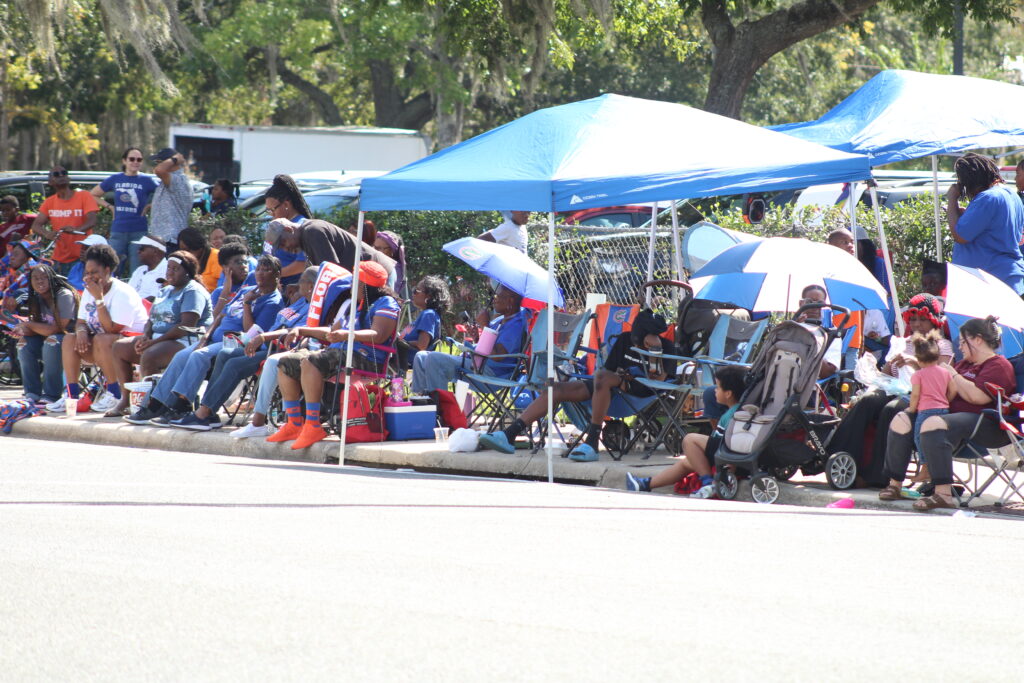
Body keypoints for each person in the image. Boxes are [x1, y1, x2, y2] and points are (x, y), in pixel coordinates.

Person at [478, 309, 675, 462]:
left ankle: (591, 442)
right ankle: (510, 434)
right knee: (557, 389)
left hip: (640, 393)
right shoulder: (625, 340)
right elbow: (609, 369)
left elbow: (657, 383)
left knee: (602, 377)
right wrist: (620, 378)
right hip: (612, 387)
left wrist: (655, 352)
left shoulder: (666, 347)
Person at [124, 254, 283, 426]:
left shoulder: (273, 301)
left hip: (240, 340)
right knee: (182, 356)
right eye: (259, 269)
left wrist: (246, 305)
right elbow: (220, 316)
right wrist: (206, 336)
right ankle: (157, 404)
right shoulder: (247, 290)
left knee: (199, 356)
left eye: (267, 270)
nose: (260, 273)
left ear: (277, 275)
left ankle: (180, 405)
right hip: (214, 337)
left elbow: (250, 333)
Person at [880, 316, 1015, 511]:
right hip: (946, 417)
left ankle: (943, 493)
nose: (959, 347)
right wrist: (920, 369)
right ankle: (895, 485)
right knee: (901, 419)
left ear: (977, 339)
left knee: (932, 423)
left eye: (962, 342)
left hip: (984, 425)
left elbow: (977, 397)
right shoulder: (964, 365)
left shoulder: (999, 365)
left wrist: (952, 373)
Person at [267, 262, 399, 449]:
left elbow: (379, 335)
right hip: (338, 352)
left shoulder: (386, 303)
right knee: (287, 362)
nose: (351, 284)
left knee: (312, 361)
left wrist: (348, 335)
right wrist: (301, 330)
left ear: (365, 285)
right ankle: (294, 423)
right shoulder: (355, 306)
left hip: (366, 358)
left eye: (355, 281)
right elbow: (331, 331)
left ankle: (312, 424)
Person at [828, 293, 953, 487]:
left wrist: (915, 363)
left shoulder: (942, 346)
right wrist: (882, 367)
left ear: (933, 321)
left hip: (923, 395)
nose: (917, 325)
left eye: (922, 320)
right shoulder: (903, 343)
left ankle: (877, 476)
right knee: (866, 400)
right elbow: (887, 375)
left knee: (892, 410)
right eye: (913, 320)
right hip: (896, 388)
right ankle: (835, 457)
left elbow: (940, 379)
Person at [170, 266, 317, 431]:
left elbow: (284, 334)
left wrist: (252, 314)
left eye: (301, 281)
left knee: (220, 360)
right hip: (251, 342)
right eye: (258, 269)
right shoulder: (296, 301)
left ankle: (199, 411)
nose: (298, 285)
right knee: (223, 353)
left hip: (271, 347)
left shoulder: (298, 306)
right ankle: (208, 411)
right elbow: (222, 315)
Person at [230, 274, 354, 440]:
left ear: (311, 286)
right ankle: (293, 423)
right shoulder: (302, 303)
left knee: (275, 361)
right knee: (227, 355)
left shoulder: (330, 306)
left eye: (300, 282)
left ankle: (259, 422)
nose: (295, 287)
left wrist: (269, 336)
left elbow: (327, 334)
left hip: (320, 349)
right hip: (295, 345)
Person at [107, 251, 214, 416]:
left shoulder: (193, 291)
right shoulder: (165, 290)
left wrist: (153, 343)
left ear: (187, 271)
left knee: (150, 355)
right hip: (159, 339)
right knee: (119, 348)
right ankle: (126, 400)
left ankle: (152, 405)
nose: (169, 272)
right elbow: (152, 319)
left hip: (187, 341)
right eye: (168, 268)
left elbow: (186, 325)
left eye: (175, 269)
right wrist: (145, 336)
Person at [46, 244, 148, 414]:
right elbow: (80, 321)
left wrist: (99, 299)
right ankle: (72, 396)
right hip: (104, 349)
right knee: (70, 338)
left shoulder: (123, 292)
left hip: (132, 348)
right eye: (87, 273)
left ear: (107, 270)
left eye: (94, 272)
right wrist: (81, 332)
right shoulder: (90, 290)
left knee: (103, 338)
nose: (89, 277)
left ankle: (115, 394)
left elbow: (111, 329)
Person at [625, 365, 746, 497]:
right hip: (729, 453)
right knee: (687, 462)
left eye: (718, 387)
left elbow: (722, 440)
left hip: (728, 456)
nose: (715, 390)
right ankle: (645, 484)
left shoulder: (731, 415)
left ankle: (708, 483)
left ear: (728, 394)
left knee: (689, 439)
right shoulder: (739, 411)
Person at [412, 285, 528, 397]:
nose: (493, 299)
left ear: (510, 301)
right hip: (475, 364)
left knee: (435, 359)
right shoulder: (499, 320)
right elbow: (487, 347)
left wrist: (485, 326)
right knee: (421, 356)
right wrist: (477, 338)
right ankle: (422, 404)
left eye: (497, 296)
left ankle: (439, 408)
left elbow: (497, 356)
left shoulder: (517, 325)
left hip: (491, 373)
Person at [948, 152, 1024, 294]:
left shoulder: (987, 198)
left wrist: (952, 198)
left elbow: (960, 236)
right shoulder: (1011, 194)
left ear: (970, 180)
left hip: (990, 282)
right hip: (1008, 278)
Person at [13, 264, 78, 404]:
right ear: (31, 282)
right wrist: (21, 331)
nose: (40, 281)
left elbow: (57, 328)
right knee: (23, 344)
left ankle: (52, 394)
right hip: (47, 337)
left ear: (51, 279)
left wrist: (28, 325)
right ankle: (32, 393)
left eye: (44, 277)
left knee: (52, 342)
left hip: (72, 340)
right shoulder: (36, 298)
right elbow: (37, 328)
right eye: (35, 278)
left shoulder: (64, 295)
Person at [91, 147, 157, 275]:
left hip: (139, 231)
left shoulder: (147, 180)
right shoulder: (115, 179)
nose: (135, 162)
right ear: (124, 161)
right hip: (118, 231)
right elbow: (93, 195)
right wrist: (110, 207)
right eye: (132, 159)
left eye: (139, 159)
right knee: (112, 269)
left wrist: (150, 205)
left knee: (137, 271)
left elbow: (164, 195)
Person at [905, 330, 955, 483]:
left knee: (919, 438)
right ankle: (933, 468)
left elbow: (915, 395)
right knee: (936, 439)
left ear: (918, 359)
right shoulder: (945, 372)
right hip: (943, 410)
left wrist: (911, 409)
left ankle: (925, 467)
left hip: (925, 411)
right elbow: (954, 390)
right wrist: (945, 400)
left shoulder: (918, 375)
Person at [30, 165, 99, 276]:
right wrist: (47, 234)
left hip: (82, 258)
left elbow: (92, 221)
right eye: (56, 174)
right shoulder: (49, 202)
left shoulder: (84, 196)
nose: (61, 176)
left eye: (64, 173)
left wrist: (76, 230)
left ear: (68, 178)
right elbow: (36, 226)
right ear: (50, 182)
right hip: (58, 260)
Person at [398, 276, 449, 370]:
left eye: (416, 291)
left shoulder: (429, 314)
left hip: (404, 358)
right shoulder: (425, 314)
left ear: (428, 296)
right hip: (399, 354)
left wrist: (400, 342)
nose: (413, 294)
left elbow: (422, 345)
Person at [148, 148, 193, 251]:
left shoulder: (179, 180)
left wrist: (175, 159)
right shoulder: (169, 180)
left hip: (170, 242)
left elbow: (159, 170)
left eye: (159, 162)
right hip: (162, 241)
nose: (157, 165)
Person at [176, 227, 220, 292]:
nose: (185, 254)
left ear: (198, 246)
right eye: (182, 251)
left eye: (187, 250)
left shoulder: (217, 257)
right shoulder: (186, 260)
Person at [127, 235, 168, 301]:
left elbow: (155, 298)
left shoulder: (168, 270)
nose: (138, 251)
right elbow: (127, 292)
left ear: (155, 251)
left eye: (142, 248)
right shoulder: (140, 269)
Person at [374, 230, 407, 297]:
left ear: (392, 250)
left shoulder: (395, 269)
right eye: (375, 248)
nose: (378, 252)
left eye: (380, 248)